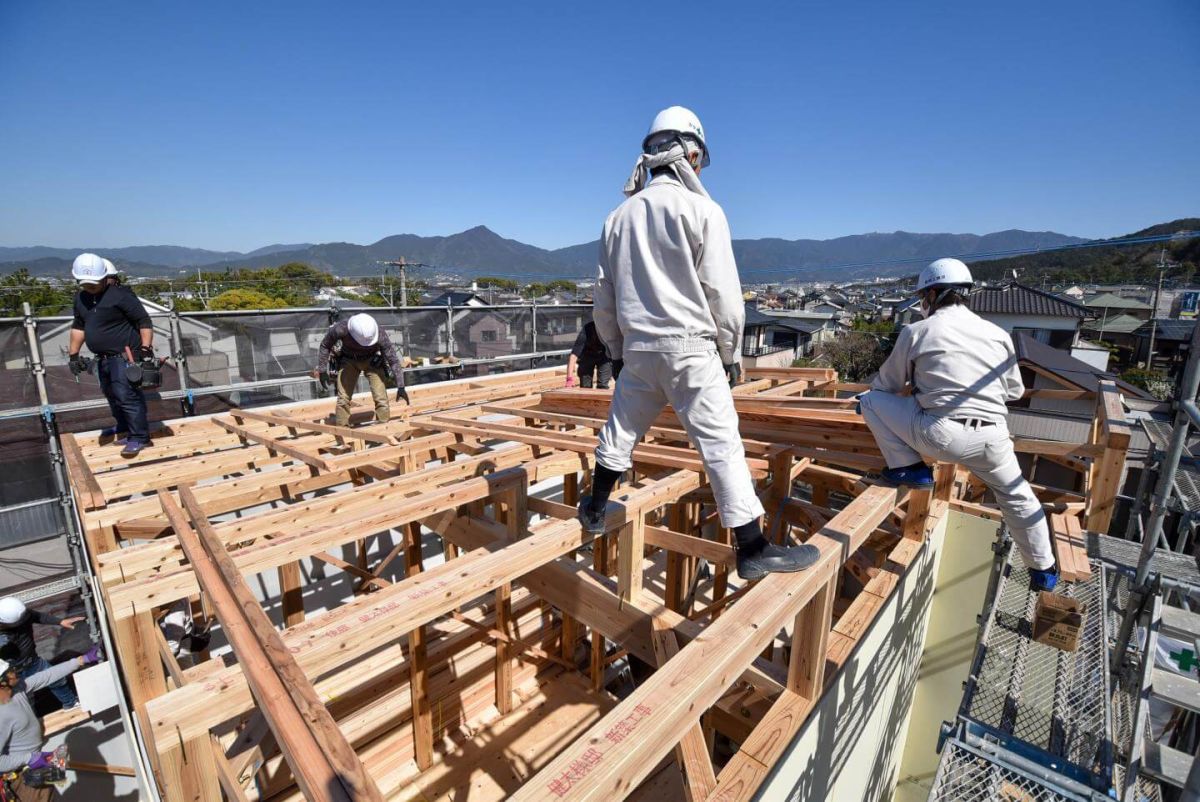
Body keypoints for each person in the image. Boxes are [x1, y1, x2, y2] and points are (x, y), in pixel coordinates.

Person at [579, 106, 819, 581]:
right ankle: (751, 548)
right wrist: (729, 356)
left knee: (620, 431)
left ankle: (594, 506)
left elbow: (603, 299)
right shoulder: (704, 211)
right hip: (690, 348)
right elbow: (725, 299)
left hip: (640, 349)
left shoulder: (616, 218)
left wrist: (617, 352)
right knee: (720, 444)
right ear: (691, 153)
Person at [857, 258, 1059, 591]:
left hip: (939, 435)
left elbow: (887, 386)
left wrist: (914, 392)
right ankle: (1044, 569)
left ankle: (910, 469)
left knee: (868, 401)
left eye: (924, 296)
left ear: (932, 294)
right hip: (993, 437)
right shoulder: (998, 334)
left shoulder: (918, 331)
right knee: (1018, 496)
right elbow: (1014, 390)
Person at [67, 253, 155, 457]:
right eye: (85, 284)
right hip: (102, 358)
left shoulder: (120, 295)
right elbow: (79, 326)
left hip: (124, 356)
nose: (90, 287)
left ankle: (140, 437)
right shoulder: (80, 299)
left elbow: (144, 321)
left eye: (94, 283)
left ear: (104, 277)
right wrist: (73, 355)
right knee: (113, 396)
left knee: (127, 396)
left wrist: (145, 349)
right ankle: (126, 430)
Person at [0, 645, 101, 801]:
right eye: (9, 672)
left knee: (53, 793)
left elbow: (46, 676)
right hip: (22, 778)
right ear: (2, 683)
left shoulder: (18, 689)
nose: (15, 671)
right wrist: (28, 758)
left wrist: (80, 661)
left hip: (37, 766)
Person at [312, 313, 408, 426]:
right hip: (349, 360)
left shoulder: (380, 333)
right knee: (343, 399)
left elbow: (393, 360)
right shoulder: (341, 328)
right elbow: (325, 345)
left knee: (381, 398)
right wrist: (322, 370)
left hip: (372, 361)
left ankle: (383, 428)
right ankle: (343, 433)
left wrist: (401, 386)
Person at [0, 599, 83, 710]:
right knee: (23, 700)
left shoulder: (22, 615)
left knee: (57, 679)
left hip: (33, 662)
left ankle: (70, 703)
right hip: (11, 673)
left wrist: (60, 622)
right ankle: (31, 723)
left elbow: (38, 616)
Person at [565, 321, 615, 388]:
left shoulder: (610, 329)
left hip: (604, 355)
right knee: (586, 385)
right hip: (587, 355)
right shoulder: (587, 329)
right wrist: (569, 379)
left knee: (602, 385)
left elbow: (618, 350)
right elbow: (574, 355)